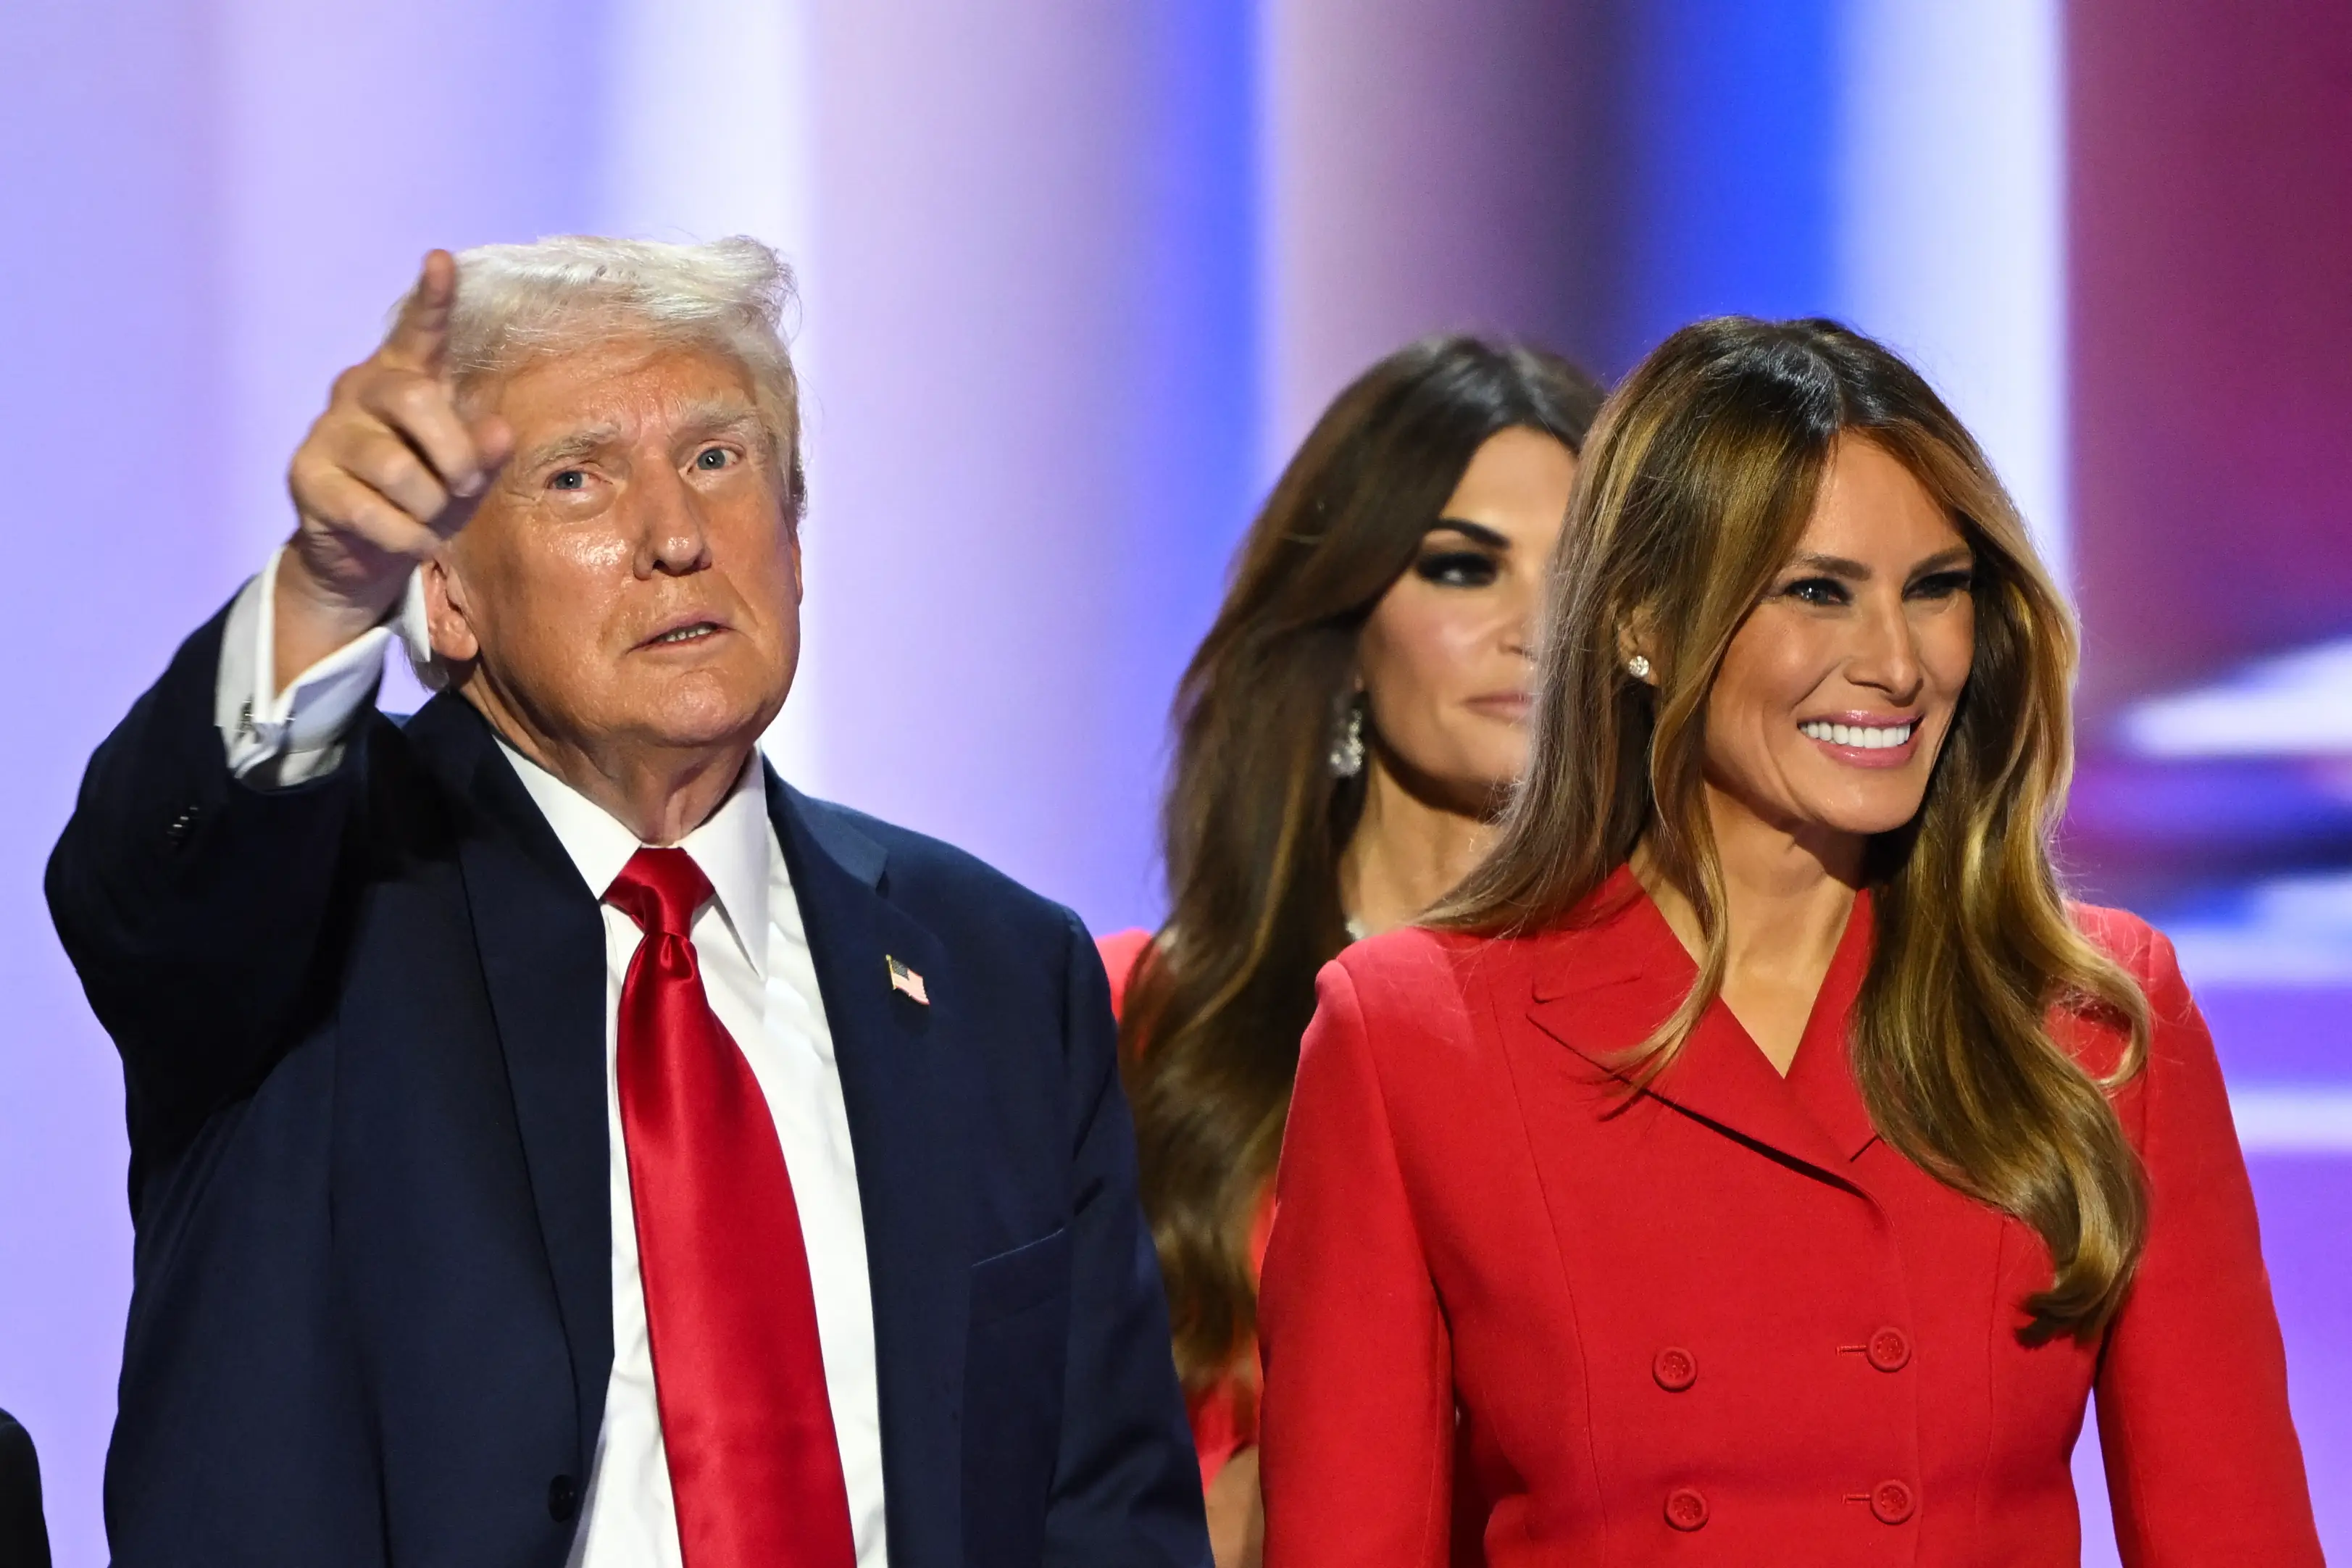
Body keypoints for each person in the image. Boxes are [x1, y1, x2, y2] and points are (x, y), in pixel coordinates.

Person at [47, 237, 1209, 1568]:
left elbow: (1105, 1510)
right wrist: (321, 591)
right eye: (577, 479)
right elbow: (151, 897)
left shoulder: (1003, 970)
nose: (676, 537)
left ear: (796, 538)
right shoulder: (318, 912)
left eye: (718, 460)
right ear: (443, 591)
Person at [1255, 317, 2322, 1564]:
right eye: (1817, 592)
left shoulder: (2089, 1017)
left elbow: (2232, 1534)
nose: (1895, 662)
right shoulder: (1410, 1033)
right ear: (1642, 623)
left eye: (1936, 589)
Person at [1103, 335, 1603, 1567]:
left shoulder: (1682, 1032)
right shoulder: (1129, 1023)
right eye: (1461, 567)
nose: (1538, 629)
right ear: (1344, 633)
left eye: (1585, 573)